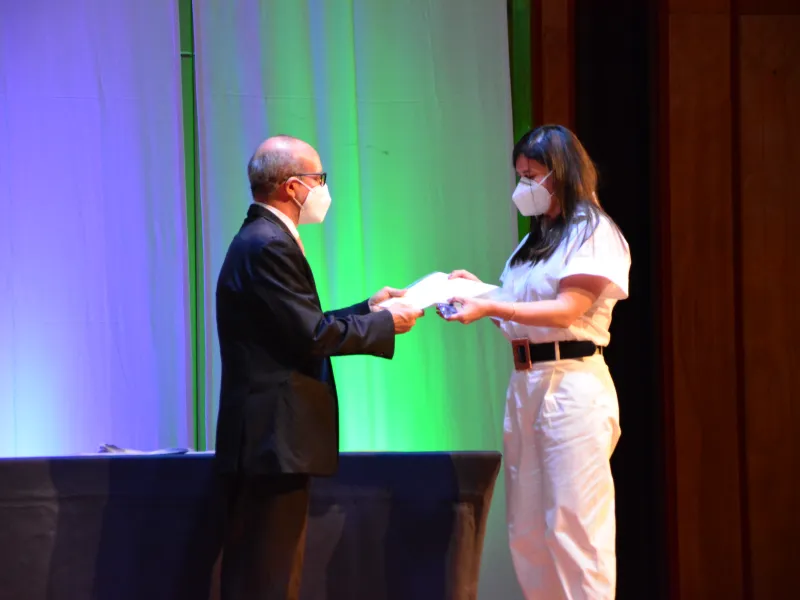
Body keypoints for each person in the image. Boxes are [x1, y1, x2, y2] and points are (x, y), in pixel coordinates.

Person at [214, 135, 423, 600]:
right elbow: (311, 335)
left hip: (271, 441)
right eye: (319, 178)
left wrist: (369, 309)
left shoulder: (262, 238)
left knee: (268, 573)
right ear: (293, 186)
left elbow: (298, 323)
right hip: (273, 438)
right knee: (269, 578)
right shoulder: (268, 244)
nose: (324, 189)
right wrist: (384, 324)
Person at [438, 124, 630, 599]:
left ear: (560, 174)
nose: (523, 186)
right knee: (527, 529)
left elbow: (566, 310)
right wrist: (477, 293)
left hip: (572, 385)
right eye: (520, 175)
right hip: (527, 384)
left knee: (573, 525)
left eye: (532, 176)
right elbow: (518, 312)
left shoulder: (592, 232)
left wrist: (493, 303)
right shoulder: (536, 240)